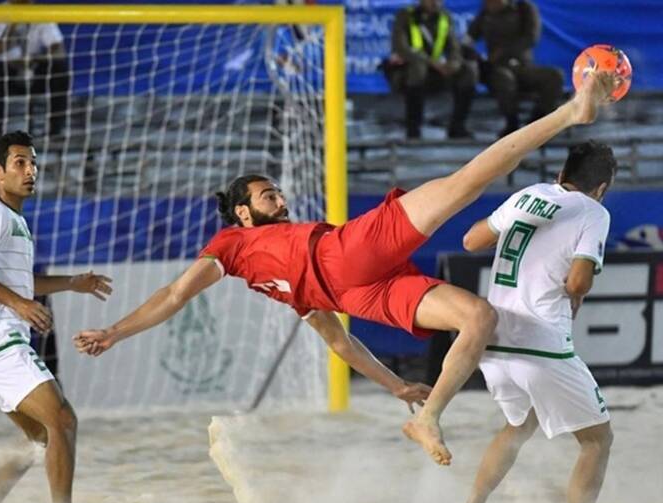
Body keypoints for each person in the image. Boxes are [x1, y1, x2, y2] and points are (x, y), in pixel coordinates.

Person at [74, 72, 617, 466]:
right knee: (465, 183)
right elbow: (174, 295)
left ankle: (426, 417)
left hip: (350, 289)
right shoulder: (232, 243)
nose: (279, 197)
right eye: (266, 194)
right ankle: (571, 112)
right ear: (241, 213)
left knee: (479, 318)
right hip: (344, 257)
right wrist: (115, 331)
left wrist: (395, 386)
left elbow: (342, 344)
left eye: (277, 191)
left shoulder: (281, 282)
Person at [455, 141, 616, 503]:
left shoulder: (529, 195)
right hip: (541, 343)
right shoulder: (594, 211)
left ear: (561, 175)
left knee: (519, 425)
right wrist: (576, 291)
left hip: (494, 343)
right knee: (597, 440)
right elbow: (578, 281)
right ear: (602, 188)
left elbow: (471, 240)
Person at [0, 131, 112, 503]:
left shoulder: (15, 219)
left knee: (40, 437)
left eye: (33, 163)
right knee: (63, 420)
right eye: (20, 163)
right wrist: (20, 304)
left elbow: (23, 283)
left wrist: (72, 283)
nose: (31, 171)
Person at [468, 0, 564, 137]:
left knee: (555, 76)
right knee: (504, 79)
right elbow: (470, 37)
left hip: (522, 66)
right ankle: (512, 125)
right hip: (498, 67)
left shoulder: (524, 8)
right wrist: (475, 55)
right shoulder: (485, 13)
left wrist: (505, 51)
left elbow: (531, 38)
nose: (491, 4)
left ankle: (537, 123)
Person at [0, 0, 70, 141]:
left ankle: (56, 130)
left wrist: (35, 59)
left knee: (59, 68)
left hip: (31, 67)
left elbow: (58, 48)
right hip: (3, 70)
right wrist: (13, 25)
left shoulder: (39, 13)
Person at [386, 0, 476, 139]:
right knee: (418, 68)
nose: (435, 2)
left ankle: (457, 126)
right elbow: (401, 48)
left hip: (436, 71)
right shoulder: (406, 16)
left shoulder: (444, 17)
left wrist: (453, 64)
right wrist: (432, 63)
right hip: (409, 71)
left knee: (469, 71)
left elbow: (453, 47)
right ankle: (413, 128)